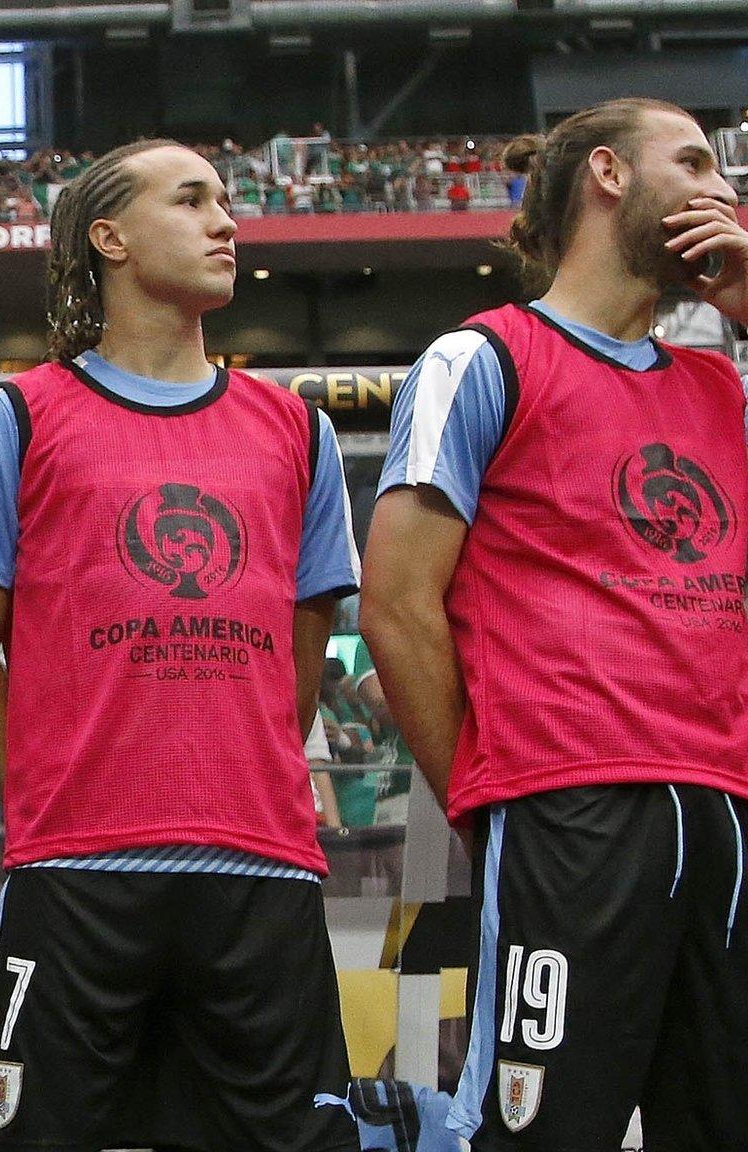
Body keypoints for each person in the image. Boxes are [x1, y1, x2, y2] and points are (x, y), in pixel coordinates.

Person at [0, 138, 361, 1152]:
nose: (226, 221)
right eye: (191, 200)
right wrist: (49, 803)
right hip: (75, 874)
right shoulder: (12, 421)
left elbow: (303, 648)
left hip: (258, 866)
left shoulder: (296, 432)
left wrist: (231, 775)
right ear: (108, 237)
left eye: (227, 201)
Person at [361, 97, 748, 1150]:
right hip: (565, 807)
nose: (722, 191)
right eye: (695, 163)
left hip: (723, 809)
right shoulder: (481, 359)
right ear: (609, 175)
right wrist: (486, 799)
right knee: (539, 1132)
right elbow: (394, 608)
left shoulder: (718, 382)